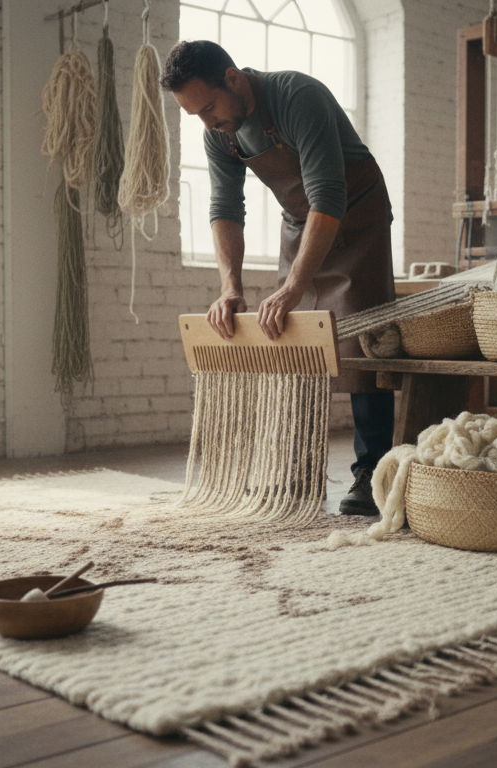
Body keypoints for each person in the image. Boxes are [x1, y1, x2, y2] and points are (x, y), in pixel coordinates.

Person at [161, 40, 395, 516]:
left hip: (356, 211)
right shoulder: (219, 134)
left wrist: (290, 286)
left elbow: (328, 193)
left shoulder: (296, 96)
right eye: (195, 115)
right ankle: (292, 468)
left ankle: (372, 473)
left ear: (233, 79)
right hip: (302, 220)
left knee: (361, 347)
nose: (207, 123)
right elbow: (226, 208)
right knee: (288, 340)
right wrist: (231, 288)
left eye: (208, 108)